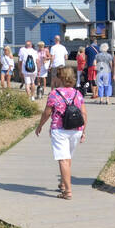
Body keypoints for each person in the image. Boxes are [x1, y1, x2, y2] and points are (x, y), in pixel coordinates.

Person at [34, 66, 86, 200]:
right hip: (76, 129)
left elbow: (47, 112)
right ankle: (63, 183)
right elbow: (84, 113)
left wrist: (40, 125)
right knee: (67, 158)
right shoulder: (77, 94)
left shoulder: (54, 94)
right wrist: (83, 130)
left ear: (60, 78)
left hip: (59, 129)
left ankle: (68, 191)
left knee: (63, 159)